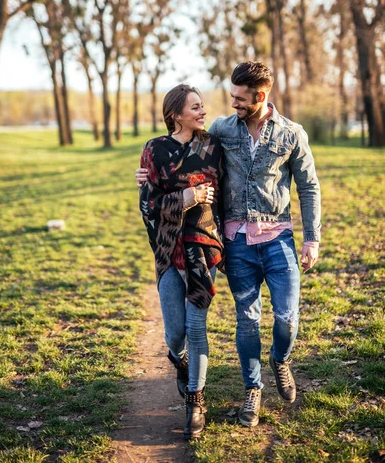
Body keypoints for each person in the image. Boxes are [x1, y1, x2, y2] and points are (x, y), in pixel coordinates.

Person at [137, 61, 321, 429]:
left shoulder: (285, 134)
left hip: (266, 239)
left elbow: (309, 185)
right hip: (218, 245)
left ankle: (272, 365)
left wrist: (312, 238)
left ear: (260, 96)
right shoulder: (218, 131)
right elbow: (159, 180)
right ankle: (246, 388)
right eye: (230, 96)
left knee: (286, 317)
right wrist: (148, 178)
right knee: (236, 323)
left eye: (239, 98)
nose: (229, 104)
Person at [138, 83, 224, 440]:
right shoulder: (155, 150)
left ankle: (196, 400)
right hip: (168, 249)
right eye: (195, 107)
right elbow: (147, 205)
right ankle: (180, 361)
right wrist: (187, 196)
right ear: (175, 114)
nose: (202, 112)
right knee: (175, 334)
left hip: (204, 246)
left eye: (202, 106)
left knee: (198, 326)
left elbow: (228, 194)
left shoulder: (213, 147)